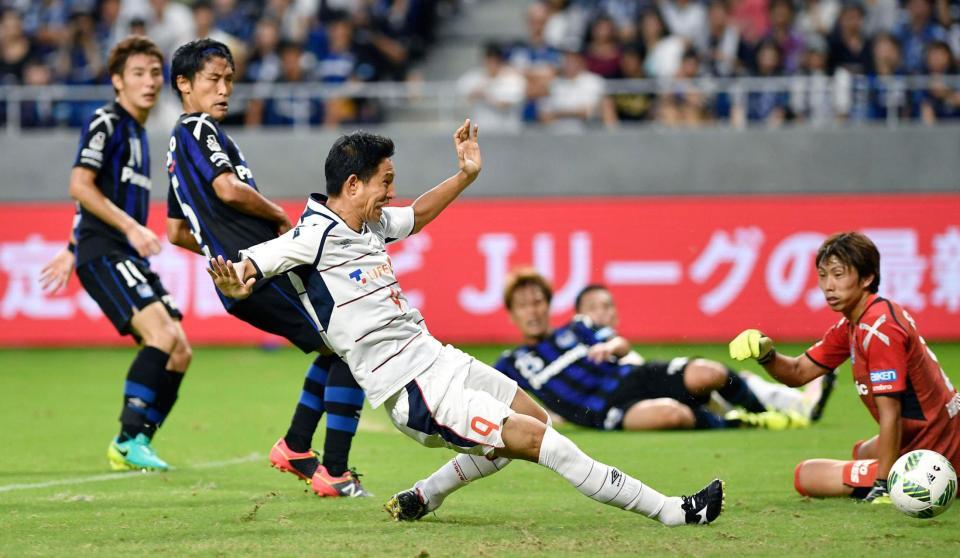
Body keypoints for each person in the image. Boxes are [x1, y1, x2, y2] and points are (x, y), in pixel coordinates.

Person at [207, 121, 725, 526]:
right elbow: (255, 262)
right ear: (352, 183)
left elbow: (417, 215)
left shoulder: (368, 222)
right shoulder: (311, 235)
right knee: (540, 442)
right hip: (412, 390)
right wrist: (237, 280)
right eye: (385, 180)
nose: (392, 190)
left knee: (533, 420)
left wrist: (465, 176)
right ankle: (672, 510)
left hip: (438, 357)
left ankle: (423, 495)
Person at [164, 38, 366, 497]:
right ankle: (334, 472)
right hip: (261, 271)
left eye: (229, 80)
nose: (224, 90)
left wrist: (224, 258)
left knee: (336, 348)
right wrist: (277, 217)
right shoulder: (199, 130)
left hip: (242, 276)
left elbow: (178, 231)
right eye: (213, 79)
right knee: (356, 343)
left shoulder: (177, 151)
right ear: (184, 83)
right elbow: (229, 189)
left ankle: (297, 446)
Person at [47, 36, 191, 472]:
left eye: (153, 73)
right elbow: (79, 185)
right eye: (137, 74)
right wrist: (124, 229)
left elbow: (94, 194)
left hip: (116, 250)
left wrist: (71, 248)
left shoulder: (138, 132)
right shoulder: (106, 121)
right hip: (107, 250)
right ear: (117, 81)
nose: (149, 83)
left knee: (180, 348)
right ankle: (127, 441)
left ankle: (138, 440)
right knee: (161, 337)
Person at [729, 231, 960, 503]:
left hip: (935, 453)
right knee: (861, 452)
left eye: (838, 275)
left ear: (867, 278)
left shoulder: (879, 328)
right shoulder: (858, 322)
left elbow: (891, 412)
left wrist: (883, 485)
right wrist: (766, 354)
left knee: (806, 475)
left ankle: (905, 479)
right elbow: (798, 372)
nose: (828, 286)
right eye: (823, 275)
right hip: (938, 430)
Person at [496, 269, 824, 432]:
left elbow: (621, 344)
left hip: (634, 376)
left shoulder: (578, 327)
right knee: (672, 415)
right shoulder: (511, 362)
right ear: (511, 313)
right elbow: (494, 394)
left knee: (709, 373)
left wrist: (609, 346)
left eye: (537, 301)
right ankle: (747, 423)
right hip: (602, 412)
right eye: (523, 305)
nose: (533, 311)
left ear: (549, 303)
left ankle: (765, 409)